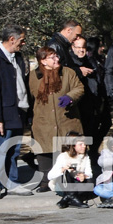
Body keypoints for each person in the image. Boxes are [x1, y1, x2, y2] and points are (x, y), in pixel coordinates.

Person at [29, 46, 85, 192]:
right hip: (43, 120)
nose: (57, 59)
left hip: (66, 119)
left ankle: (70, 181)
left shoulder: (68, 73)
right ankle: (45, 181)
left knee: (68, 151)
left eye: (57, 56)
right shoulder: (33, 76)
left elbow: (79, 88)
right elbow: (30, 96)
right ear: (43, 61)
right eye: (52, 57)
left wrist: (70, 97)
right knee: (44, 151)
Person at [0, 24, 31, 198]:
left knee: (15, 149)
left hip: (18, 110)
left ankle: (12, 181)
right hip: (4, 112)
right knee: (1, 148)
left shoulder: (17, 56)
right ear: (12, 39)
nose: (23, 44)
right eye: (21, 40)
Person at [71, 35, 110, 163]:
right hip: (79, 108)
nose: (82, 50)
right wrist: (78, 71)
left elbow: (97, 83)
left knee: (91, 134)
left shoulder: (91, 61)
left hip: (93, 106)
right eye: (78, 47)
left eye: (84, 47)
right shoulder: (70, 64)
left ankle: (91, 158)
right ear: (72, 47)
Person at [47, 132, 93, 208]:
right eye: (81, 144)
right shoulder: (63, 156)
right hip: (63, 185)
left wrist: (84, 176)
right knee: (66, 173)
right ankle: (74, 198)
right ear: (74, 146)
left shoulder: (85, 157)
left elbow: (89, 173)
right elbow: (49, 176)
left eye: (85, 144)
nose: (84, 146)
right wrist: (63, 169)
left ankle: (68, 198)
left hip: (77, 184)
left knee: (90, 181)